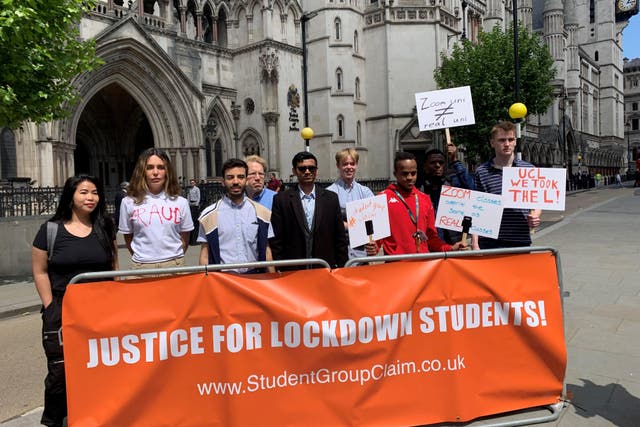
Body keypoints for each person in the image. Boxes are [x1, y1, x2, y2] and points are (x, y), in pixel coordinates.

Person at [32, 175, 118, 427]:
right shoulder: (50, 230)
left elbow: (112, 265)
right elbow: (39, 270)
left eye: (94, 192)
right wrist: (49, 306)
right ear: (70, 196)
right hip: (62, 312)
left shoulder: (106, 226)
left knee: (100, 367)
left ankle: (97, 416)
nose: (90, 197)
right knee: (60, 372)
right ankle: (56, 420)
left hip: (100, 311)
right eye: (83, 192)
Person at [366, 152, 467, 256]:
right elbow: (376, 241)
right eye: (404, 173)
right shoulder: (382, 199)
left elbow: (431, 237)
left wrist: (450, 248)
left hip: (423, 265)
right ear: (395, 174)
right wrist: (373, 248)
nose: (409, 177)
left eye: (413, 173)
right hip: (396, 265)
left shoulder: (425, 199)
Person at [270, 151, 348, 269]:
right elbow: (277, 239)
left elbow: (339, 237)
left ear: (316, 171)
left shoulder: (331, 199)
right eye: (302, 169)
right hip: (293, 270)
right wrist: (281, 267)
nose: (307, 172)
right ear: (294, 171)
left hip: (324, 267)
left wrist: (342, 267)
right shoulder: (281, 200)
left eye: (311, 168)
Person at [119, 147, 194, 269]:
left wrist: (173, 260)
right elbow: (128, 237)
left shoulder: (181, 202)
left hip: (174, 265)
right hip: (142, 266)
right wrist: (143, 259)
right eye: (149, 167)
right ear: (142, 171)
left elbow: (185, 238)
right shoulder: (128, 202)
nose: (155, 172)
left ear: (167, 171)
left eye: (160, 167)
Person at [472, 121, 541, 250]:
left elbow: (536, 201)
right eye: (502, 140)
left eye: (511, 139)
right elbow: (477, 209)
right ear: (492, 143)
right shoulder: (482, 172)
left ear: (515, 141)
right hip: (489, 241)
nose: (507, 144)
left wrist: (535, 215)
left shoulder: (528, 169)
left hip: (519, 238)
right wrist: (475, 243)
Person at [198, 158, 275, 273]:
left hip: (254, 279)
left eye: (240, 177)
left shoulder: (262, 213)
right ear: (222, 181)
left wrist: (272, 280)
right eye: (230, 177)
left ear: (246, 180)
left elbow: (266, 250)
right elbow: (205, 255)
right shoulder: (208, 216)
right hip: (224, 280)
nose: (235, 182)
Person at [422, 143, 474, 244]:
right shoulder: (421, 190)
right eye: (433, 162)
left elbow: (471, 188)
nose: (437, 165)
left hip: (456, 242)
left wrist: (454, 160)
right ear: (425, 166)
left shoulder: (453, 185)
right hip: (432, 245)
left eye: (441, 162)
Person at [327, 148, 374, 258]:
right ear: (338, 166)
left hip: (362, 252)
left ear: (356, 165)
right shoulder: (329, 193)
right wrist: (355, 226)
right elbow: (329, 222)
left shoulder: (365, 192)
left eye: (352, 164)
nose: (349, 167)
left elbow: (374, 221)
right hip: (338, 251)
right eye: (345, 164)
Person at [187, 178, 201, 245]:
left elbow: (198, 197)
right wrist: (187, 203)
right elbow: (188, 197)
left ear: (195, 183)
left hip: (195, 204)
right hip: (190, 204)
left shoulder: (197, 189)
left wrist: (197, 203)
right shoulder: (190, 189)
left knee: (195, 219)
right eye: (191, 183)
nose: (192, 184)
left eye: (193, 183)